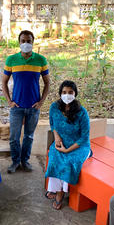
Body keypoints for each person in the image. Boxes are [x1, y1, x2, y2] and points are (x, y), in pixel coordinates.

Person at [0, 29, 51, 174]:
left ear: (33, 42)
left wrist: (41, 102)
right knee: (14, 138)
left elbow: (47, 83)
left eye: (29, 41)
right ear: (19, 43)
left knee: (29, 136)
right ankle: (15, 162)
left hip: (34, 107)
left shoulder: (41, 60)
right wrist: (9, 101)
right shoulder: (11, 60)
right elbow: (4, 82)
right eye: (23, 41)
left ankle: (25, 161)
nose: (26, 43)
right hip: (16, 107)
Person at [45, 80, 91, 210]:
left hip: (79, 147)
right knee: (54, 158)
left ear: (75, 93)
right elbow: (52, 124)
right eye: (64, 92)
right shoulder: (54, 107)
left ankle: (60, 194)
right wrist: (56, 136)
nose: (67, 95)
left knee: (68, 162)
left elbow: (84, 137)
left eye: (70, 92)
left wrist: (68, 150)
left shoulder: (82, 112)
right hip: (61, 142)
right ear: (60, 93)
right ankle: (54, 189)